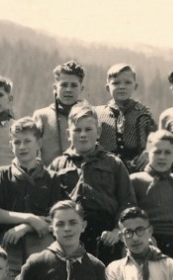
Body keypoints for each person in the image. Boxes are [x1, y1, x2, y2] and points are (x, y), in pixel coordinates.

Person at [47, 107, 135, 257]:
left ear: (99, 132)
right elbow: (50, 204)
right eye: (77, 130)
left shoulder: (113, 163)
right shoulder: (58, 165)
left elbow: (127, 203)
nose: (83, 135)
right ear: (69, 134)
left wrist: (116, 231)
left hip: (106, 235)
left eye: (88, 129)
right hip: (69, 231)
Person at [0, 117, 58, 280]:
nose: (22, 147)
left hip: (42, 245)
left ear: (39, 144)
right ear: (10, 145)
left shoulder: (51, 177)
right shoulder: (2, 175)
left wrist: (26, 227)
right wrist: (29, 218)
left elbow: (55, 218)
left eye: (27, 141)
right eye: (17, 142)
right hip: (9, 247)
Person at [130, 131, 173, 267]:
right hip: (150, 239)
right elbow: (130, 215)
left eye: (167, 153)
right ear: (147, 154)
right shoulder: (136, 180)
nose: (162, 157)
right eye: (157, 152)